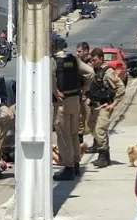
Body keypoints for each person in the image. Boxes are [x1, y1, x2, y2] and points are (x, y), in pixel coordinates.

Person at [52, 38, 94, 181]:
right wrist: (83, 89)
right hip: (75, 100)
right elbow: (90, 73)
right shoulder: (74, 59)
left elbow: (51, 75)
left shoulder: (53, 61)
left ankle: (68, 168)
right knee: (74, 134)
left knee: (64, 136)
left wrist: (55, 91)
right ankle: (76, 164)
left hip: (62, 103)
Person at [86, 47, 126, 168]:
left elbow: (121, 88)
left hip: (104, 106)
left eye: (95, 60)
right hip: (95, 106)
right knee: (94, 130)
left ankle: (103, 156)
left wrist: (113, 104)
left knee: (100, 130)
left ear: (101, 59)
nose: (93, 62)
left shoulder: (108, 72)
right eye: (92, 60)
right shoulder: (95, 71)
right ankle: (104, 155)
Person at [75, 42, 92, 145]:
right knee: (80, 119)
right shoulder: (79, 63)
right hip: (81, 95)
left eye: (79, 51)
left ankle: (97, 144)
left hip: (89, 96)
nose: (77, 53)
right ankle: (80, 142)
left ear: (86, 51)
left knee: (91, 120)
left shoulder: (90, 63)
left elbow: (91, 76)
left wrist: (85, 91)